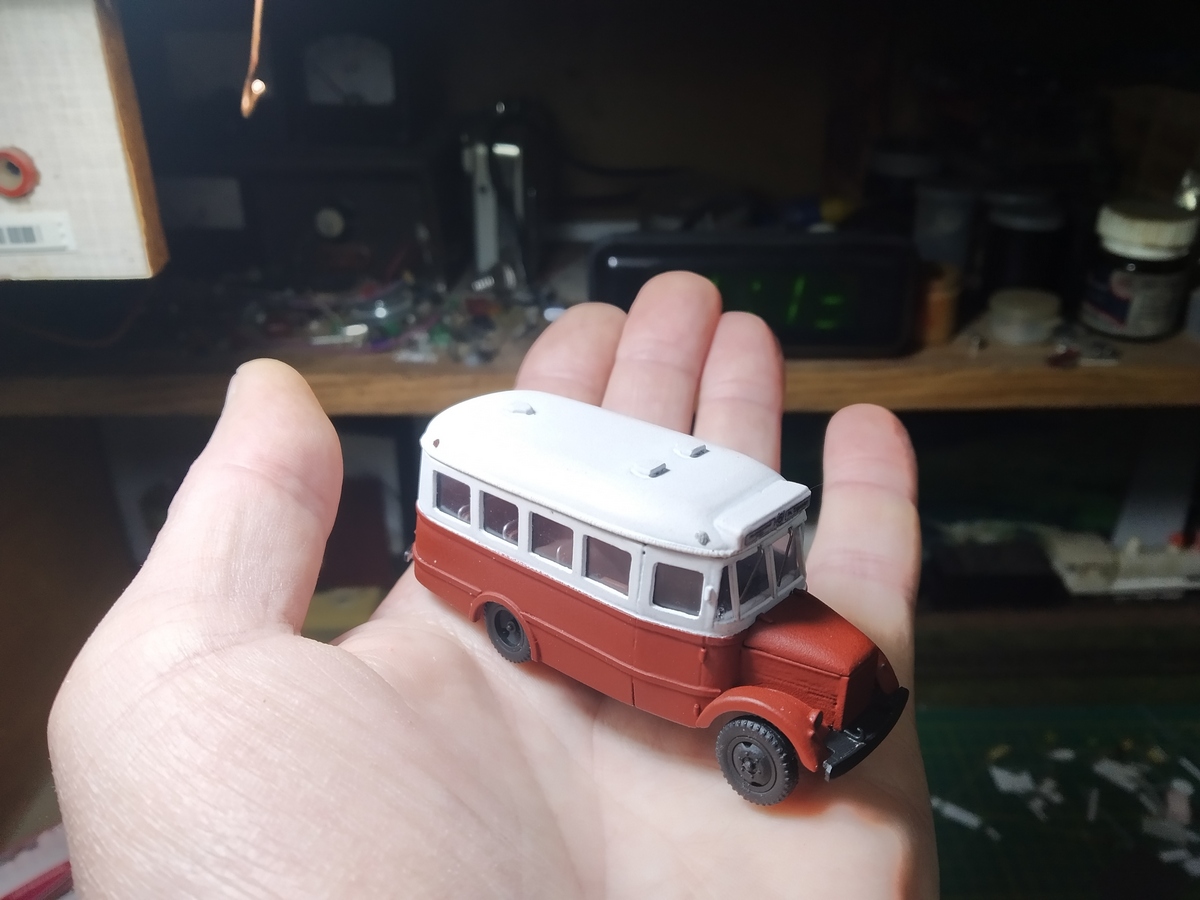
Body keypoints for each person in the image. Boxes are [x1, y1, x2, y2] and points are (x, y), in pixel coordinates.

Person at [48, 273, 937, 898]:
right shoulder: (602, 611)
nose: (770, 585)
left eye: (773, 564)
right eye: (742, 578)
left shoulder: (776, 601)